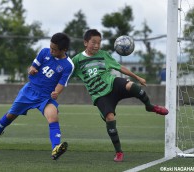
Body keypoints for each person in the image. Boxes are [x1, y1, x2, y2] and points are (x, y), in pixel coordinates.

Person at [72, 29, 169, 162]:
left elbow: (119, 68)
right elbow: (64, 74)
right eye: (93, 42)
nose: (96, 45)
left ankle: (150, 106)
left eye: (99, 42)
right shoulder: (77, 60)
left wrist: (137, 77)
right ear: (85, 42)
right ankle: (119, 152)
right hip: (100, 95)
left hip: (112, 84)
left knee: (132, 86)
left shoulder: (103, 55)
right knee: (110, 118)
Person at [0, 33, 74, 160]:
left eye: (54, 49)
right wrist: (31, 70)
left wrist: (56, 92)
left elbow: (62, 83)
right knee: (11, 115)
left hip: (46, 97)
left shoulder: (68, 65)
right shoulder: (44, 52)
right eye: (50, 47)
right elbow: (33, 66)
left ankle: (55, 148)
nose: (51, 50)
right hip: (30, 90)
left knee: (53, 117)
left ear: (64, 50)